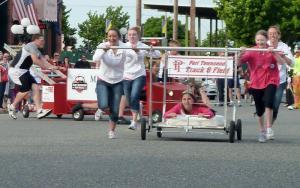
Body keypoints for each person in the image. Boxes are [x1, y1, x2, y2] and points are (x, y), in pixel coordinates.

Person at [239, 30, 284, 143]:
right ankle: (262, 131)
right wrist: (240, 52)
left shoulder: (271, 49)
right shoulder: (252, 51)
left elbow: (281, 62)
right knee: (259, 110)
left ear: (266, 40)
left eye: (262, 40)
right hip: (256, 83)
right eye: (258, 40)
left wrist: (273, 52)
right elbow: (239, 62)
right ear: (255, 41)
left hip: (271, 80)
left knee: (268, 103)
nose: (260, 42)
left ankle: (269, 128)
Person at [7, 34, 61, 119]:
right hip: (16, 71)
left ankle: (39, 111)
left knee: (36, 87)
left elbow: (44, 61)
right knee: (25, 91)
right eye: (41, 40)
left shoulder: (37, 50)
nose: (44, 42)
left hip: (24, 71)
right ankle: (12, 106)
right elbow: (35, 61)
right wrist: (49, 67)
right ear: (35, 40)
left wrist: (53, 67)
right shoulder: (31, 46)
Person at [123, 26, 161, 130]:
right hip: (126, 75)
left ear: (138, 36)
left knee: (135, 95)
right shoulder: (124, 46)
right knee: (129, 98)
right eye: (130, 35)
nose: (132, 36)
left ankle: (134, 121)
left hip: (139, 74)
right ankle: (137, 109)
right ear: (127, 36)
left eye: (134, 34)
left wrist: (151, 49)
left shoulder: (142, 46)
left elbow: (157, 54)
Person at [93, 28, 127, 139]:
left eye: (114, 36)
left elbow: (133, 56)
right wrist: (104, 50)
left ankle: (111, 131)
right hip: (103, 79)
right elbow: (95, 58)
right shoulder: (103, 45)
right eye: (110, 36)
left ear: (118, 37)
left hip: (118, 81)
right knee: (103, 104)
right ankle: (100, 108)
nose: (112, 38)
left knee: (115, 109)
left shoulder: (124, 47)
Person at [267, 25, 295, 137]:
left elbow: (291, 63)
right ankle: (267, 129)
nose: (272, 35)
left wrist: (283, 57)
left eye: (274, 33)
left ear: (279, 35)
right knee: (267, 104)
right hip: (266, 79)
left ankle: (269, 127)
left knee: (275, 106)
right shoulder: (265, 44)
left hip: (280, 80)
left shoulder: (284, 47)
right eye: (270, 33)